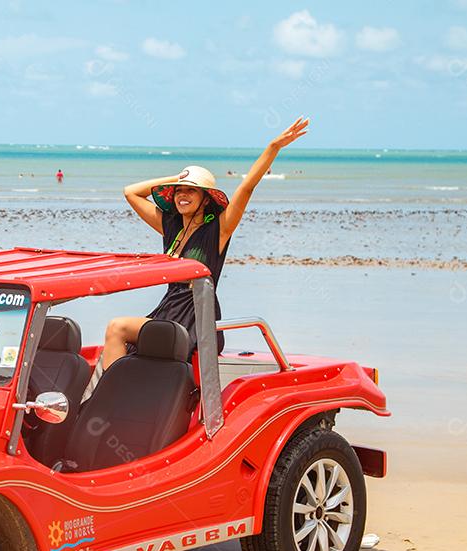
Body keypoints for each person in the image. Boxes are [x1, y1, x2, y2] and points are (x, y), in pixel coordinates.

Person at [99, 116, 310, 371]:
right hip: (167, 311)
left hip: (196, 321)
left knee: (117, 327)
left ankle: (112, 392)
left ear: (206, 198)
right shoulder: (171, 227)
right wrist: (180, 178)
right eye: (179, 191)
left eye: (191, 190)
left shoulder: (217, 231)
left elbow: (246, 188)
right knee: (120, 343)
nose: (182, 194)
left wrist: (273, 147)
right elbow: (130, 192)